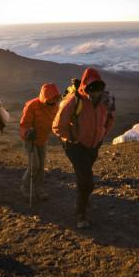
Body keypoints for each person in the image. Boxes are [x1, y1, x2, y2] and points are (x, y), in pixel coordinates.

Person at [53, 68, 115, 229]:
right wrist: (72, 139)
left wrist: (101, 136)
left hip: (93, 145)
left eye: (97, 87)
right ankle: (80, 214)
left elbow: (110, 119)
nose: (94, 92)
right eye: (91, 87)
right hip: (75, 146)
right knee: (87, 180)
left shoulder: (106, 100)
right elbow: (57, 126)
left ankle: (84, 202)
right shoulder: (74, 100)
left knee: (84, 178)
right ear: (85, 86)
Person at [19, 83, 61, 201]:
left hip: (42, 139)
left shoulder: (56, 107)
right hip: (30, 139)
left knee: (41, 166)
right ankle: (25, 187)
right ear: (45, 97)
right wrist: (27, 133)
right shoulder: (32, 105)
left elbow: (56, 124)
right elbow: (24, 124)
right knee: (34, 165)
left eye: (55, 99)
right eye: (51, 99)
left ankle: (39, 189)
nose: (53, 102)